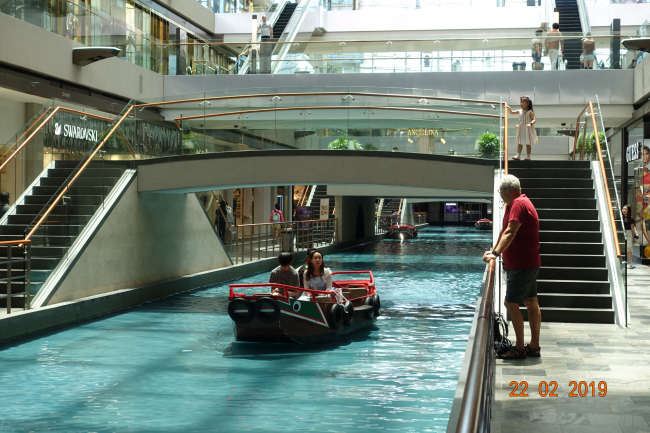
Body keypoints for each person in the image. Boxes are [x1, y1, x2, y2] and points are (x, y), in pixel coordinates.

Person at [483, 175, 541, 359]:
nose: (499, 194)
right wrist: (494, 249)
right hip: (527, 262)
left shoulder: (518, 204)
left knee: (510, 303)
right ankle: (534, 346)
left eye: (500, 191)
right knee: (531, 303)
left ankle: (520, 349)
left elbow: (511, 231)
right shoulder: (517, 204)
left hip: (522, 264)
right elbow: (503, 231)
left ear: (506, 191)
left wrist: (496, 254)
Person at [508, 96, 537, 161]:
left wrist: (530, 124)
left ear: (528, 103)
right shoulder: (520, 111)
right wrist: (509, 108)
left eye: (523, 102)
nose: (521, 104)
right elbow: (511, 112)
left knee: (528, 143)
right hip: (521, 129)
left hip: (527, 128)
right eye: (521, 102)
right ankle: (518, 155)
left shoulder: (530, 112)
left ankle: (528, 156)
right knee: (519, 142)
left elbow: (534, 119)